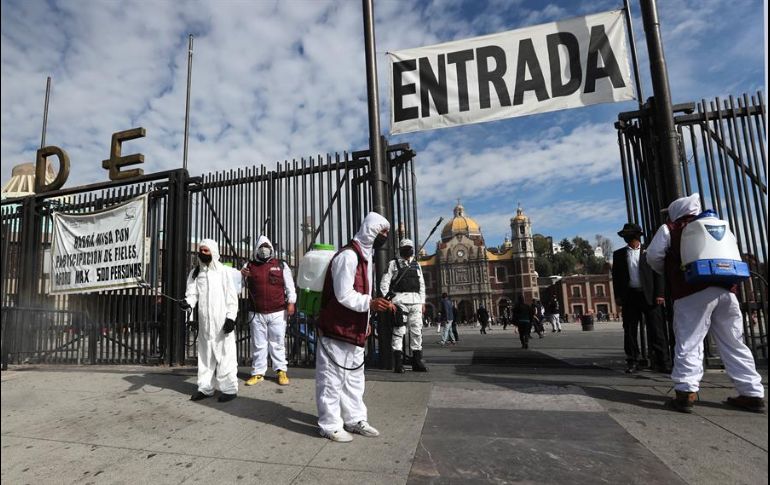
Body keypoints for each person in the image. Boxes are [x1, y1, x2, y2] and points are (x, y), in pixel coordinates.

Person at [647, 194, 765, 413]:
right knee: (734, 342)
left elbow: (653, 256)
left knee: (689, 340)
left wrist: (669, 271)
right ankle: (752, 392)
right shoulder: (719, 226)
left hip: (691, 291)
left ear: (676, 211)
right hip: (726, 290)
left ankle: (685, 392)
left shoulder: (670, 228)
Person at [315, 212, 395, 442]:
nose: (385, 236)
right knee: (331, 379)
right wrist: (370, 304)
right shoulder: (348, 257)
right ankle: (329, 424)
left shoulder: (365, 258)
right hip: (336, 328)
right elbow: (344, 294)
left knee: (354, 379)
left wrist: (367, 320)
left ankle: (354, 419)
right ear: (371, 230)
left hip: (355, 329)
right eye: (383, 231)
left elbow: (363, 293)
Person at [179, 239, 239, 403]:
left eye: (206, 251)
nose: (203, 253)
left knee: (226, 355)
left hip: (222, 323)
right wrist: (187, 303)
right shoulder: (195, 273)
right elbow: (192, 295)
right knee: (205, 357)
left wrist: (230, 318)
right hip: (205, 323)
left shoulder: (223, 272)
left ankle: (229, 389)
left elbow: (232, 298)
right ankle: (205, 388)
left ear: (213, 252)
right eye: (201, 251)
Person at [612, 223, 671, 374]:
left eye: (629, 235)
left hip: (650, 295)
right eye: (625, 235)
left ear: (637, 236)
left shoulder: (650, 251)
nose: (627, 237)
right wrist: (618, 296)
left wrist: (660, 294)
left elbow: (659, 272)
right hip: (629, 296)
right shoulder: (618, 254)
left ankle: (662, 361)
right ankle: (633, 360)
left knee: (656, 329)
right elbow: (616, 277)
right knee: (630, 330)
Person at [241, 235, 297, 386]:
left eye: (267, 246)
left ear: (272, 249)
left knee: (277, 342)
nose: (264, 249)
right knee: (258, 344)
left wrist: (291, 302)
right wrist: (242, 276)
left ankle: (281, 371)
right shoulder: (249, 265)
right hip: (256, 312)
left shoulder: (281, 265)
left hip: (278, 311)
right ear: (256, 249)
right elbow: (238, 286)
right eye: (261, 247)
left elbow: (289, 286)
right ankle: (258, 373)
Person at [380, 238, 428, 373]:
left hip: (416, 302)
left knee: (417, 331)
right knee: (399, 332)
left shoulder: (416, 264)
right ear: (400, 250)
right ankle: (398, 363)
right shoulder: (393, 264)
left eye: (410, 248)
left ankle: (417, 362)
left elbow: (421, 284)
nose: (408, 251)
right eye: (406, 249)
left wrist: (423, 301)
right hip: (400, 301)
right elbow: (384, 284)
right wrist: (388, 302)